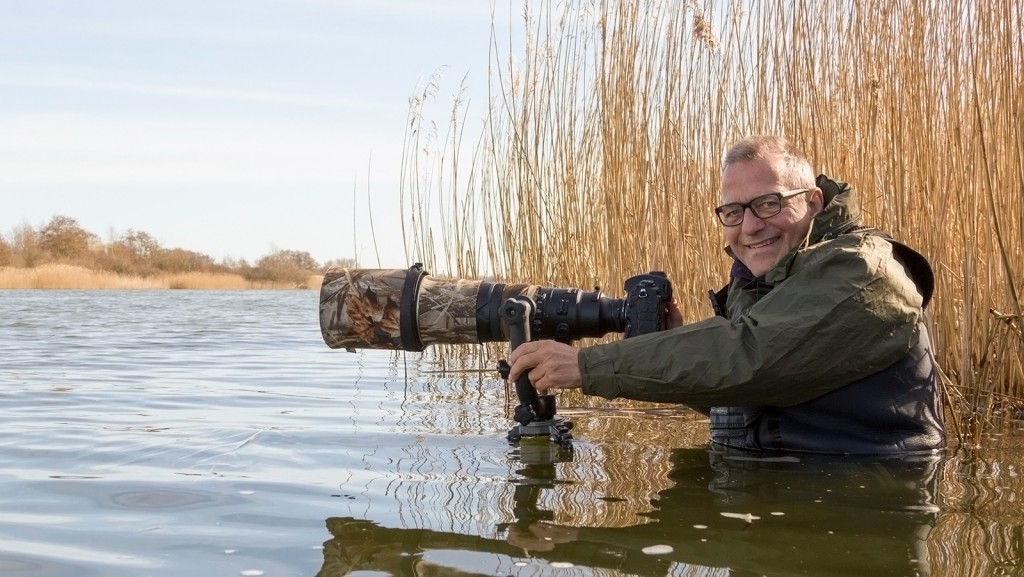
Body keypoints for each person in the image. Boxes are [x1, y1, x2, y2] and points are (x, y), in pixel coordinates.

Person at [507, 134, 946, 454]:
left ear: (813, 201)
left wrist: (586, 364)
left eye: (769, 203)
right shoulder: (763, 280)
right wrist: (666, 343)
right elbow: (743, 392)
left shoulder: (862, 270)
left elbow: (753, 357)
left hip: (864, 502)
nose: (750, 226)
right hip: (775, 499)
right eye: (733, 212)